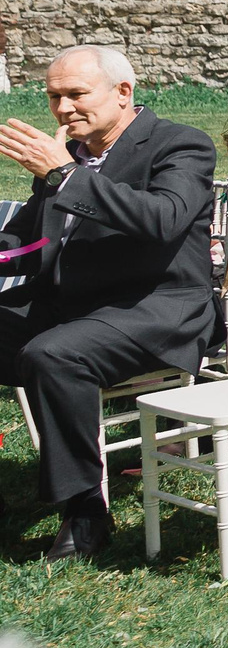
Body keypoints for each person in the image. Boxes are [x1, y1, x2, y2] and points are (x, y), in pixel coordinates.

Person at [0, 47, 217, 561]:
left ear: (123, 92)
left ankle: (84, 511)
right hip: (74, 303)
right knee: (50, 346)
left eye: (76, 94)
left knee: (54, 355)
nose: (63, 108)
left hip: (155, 309)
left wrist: (64, 176)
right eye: (54, 97)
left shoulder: (181, 144)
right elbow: (31, 240)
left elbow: (162, 218)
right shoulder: (69, 155)